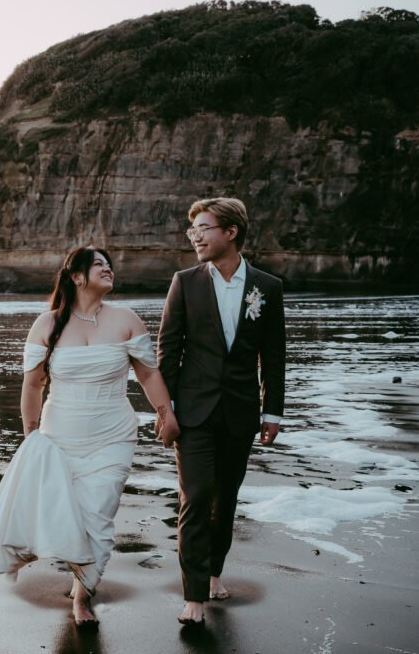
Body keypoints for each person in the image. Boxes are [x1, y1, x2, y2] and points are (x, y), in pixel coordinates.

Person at [0, 246, 180, 629]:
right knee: (68, 516)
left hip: (113, 435)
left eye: (109, 264)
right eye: (98, 264)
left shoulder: (126, 319)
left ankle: (82, 596)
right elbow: (33, 385)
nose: (107, 268)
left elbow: (148, 374)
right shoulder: (47, 324)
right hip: (60, 436)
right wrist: (31, 437)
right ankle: (79, 573)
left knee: (98, 515)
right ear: (76, 276)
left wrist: (166, 414)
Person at [156, 197, 286, 626]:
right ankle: (194, 595)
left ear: (231, 232)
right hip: (192, 412)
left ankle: (213, 571)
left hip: (240, 412)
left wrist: (273, 412)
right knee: (195, 498)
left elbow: (274, 355)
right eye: (192, 230)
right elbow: (168, 350)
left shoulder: (267, 287)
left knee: (224, 499)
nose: (195, 236)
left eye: (204, 228)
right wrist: (166, 411)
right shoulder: (185, 282)